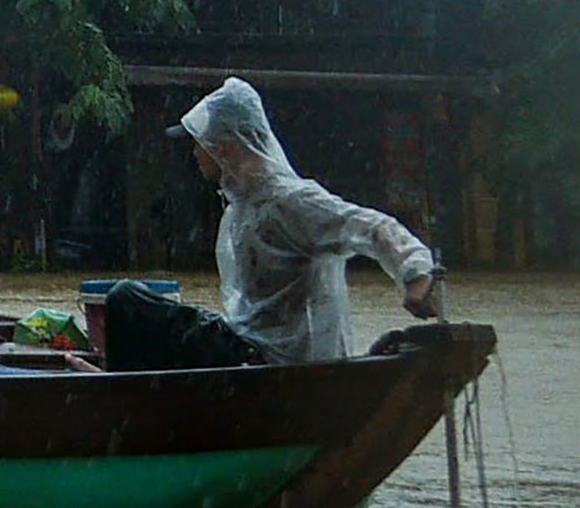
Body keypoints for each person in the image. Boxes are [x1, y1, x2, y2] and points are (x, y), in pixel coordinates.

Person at [178, 77, 442, 363]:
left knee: (128, 301)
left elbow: (373, 226)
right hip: (251, 351)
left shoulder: (290, 201)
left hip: (278, 362)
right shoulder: (243, 207)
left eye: (199, 144)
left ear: (224, 146)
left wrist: (417, 276)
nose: (194, 154)